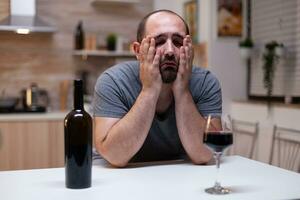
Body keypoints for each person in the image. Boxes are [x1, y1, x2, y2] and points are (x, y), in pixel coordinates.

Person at [93, 9, 222, 167]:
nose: (169, 51)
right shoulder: (113, 81)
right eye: (159, 41)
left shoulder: (206, 83)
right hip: (121, 175)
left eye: (178, 42)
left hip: (178, 172)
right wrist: (149, 89)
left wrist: (182, 90)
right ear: (138, 50)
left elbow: (205, 154)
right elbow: (114, 155)